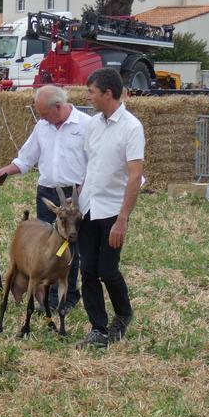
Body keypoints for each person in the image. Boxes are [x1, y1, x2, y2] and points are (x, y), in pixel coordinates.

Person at [0, 85, 89, 313]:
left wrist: (81, 194)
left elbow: (94, 164)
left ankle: (67, 297)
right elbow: (25, 159)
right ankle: (46, 294)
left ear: (58, 107)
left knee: (70, 248)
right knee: (48, 245)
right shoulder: (42, 126)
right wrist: (3, 171)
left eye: (43, 113)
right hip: (47, 194)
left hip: (74, 197)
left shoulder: (85, 125)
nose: (41, 118)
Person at [75, 67, 144, 349]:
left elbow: (134, 176)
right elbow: (90, 166)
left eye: (91, 92)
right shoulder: (93, 124)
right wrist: (76, 198)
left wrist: (122, 220)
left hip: (113, 210)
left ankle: (124, 313)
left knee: (108, 270)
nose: (87, 96)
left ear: (108, 93)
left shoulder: (131, 127)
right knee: (88, 270)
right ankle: (99, 329)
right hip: (89, 207)